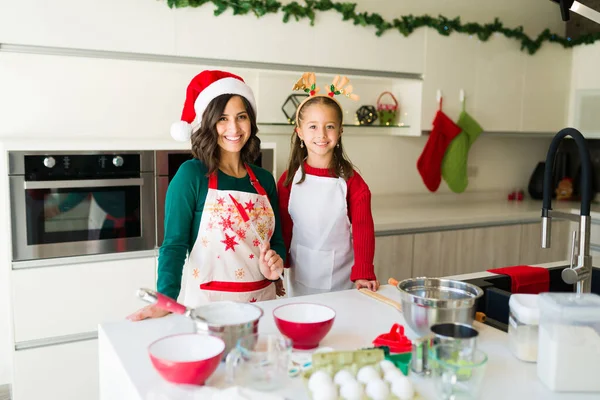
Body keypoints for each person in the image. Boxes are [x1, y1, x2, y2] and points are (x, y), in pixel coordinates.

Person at [128, 70, 285, 321]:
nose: (233, 128)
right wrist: (165, 298)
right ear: (208, 122)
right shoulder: (191, 175)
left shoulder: (264, 180)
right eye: (222, 118)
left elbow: (277, 242)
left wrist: (275, 264)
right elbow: (174, 245)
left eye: (241, 117)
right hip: (209, 310)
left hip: (262, 307)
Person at [277, 73, 379, 297]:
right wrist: (277, 269)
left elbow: (363, 230)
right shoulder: (288, 179)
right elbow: (284, 227)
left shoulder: (353, 182)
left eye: (330, 126)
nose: (321, 134)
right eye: (313, 126)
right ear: (300, 133)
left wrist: (364, 272)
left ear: (340, 131)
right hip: (297, 276)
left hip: (341, 280)